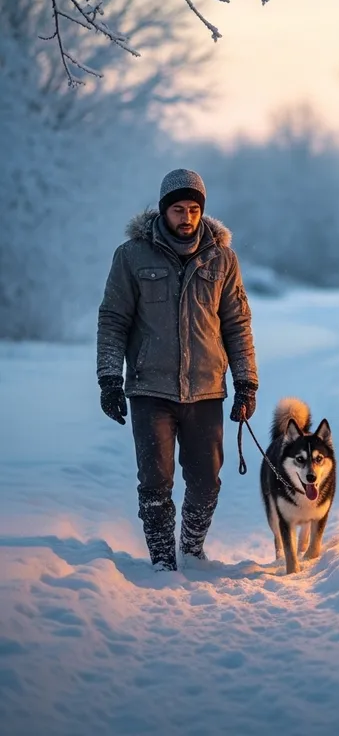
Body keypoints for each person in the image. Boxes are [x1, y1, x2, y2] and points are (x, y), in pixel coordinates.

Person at [96, 169, 258, 570]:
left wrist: (246, 382)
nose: (186, 217)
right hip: (150, 389)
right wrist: (109, 378)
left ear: (202, 211)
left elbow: (237, 323)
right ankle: (163, 562)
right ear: (163, 210)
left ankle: (191, 547)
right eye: (178, 209)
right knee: (155, 482)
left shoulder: (222, 259)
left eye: (193, 209)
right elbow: (113, 319)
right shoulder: (131, 256)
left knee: (206, 482)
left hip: (205, 389)